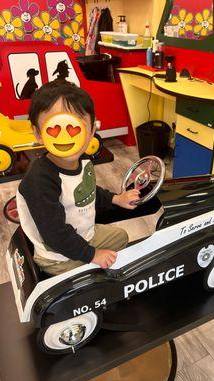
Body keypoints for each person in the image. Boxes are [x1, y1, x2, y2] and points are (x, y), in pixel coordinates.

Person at [16, 80, 140, 275]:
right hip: (58, 257)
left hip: (84, 235)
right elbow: (54, 234)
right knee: (96, 276)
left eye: (76, 126)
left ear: (91, 130)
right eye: (55, 127)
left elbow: (87, 191)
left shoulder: (83, 162)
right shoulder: (40, 179)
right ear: (38, 133)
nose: (66, 136)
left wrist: (117, 198)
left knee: (121, 237)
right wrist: (92, 255)